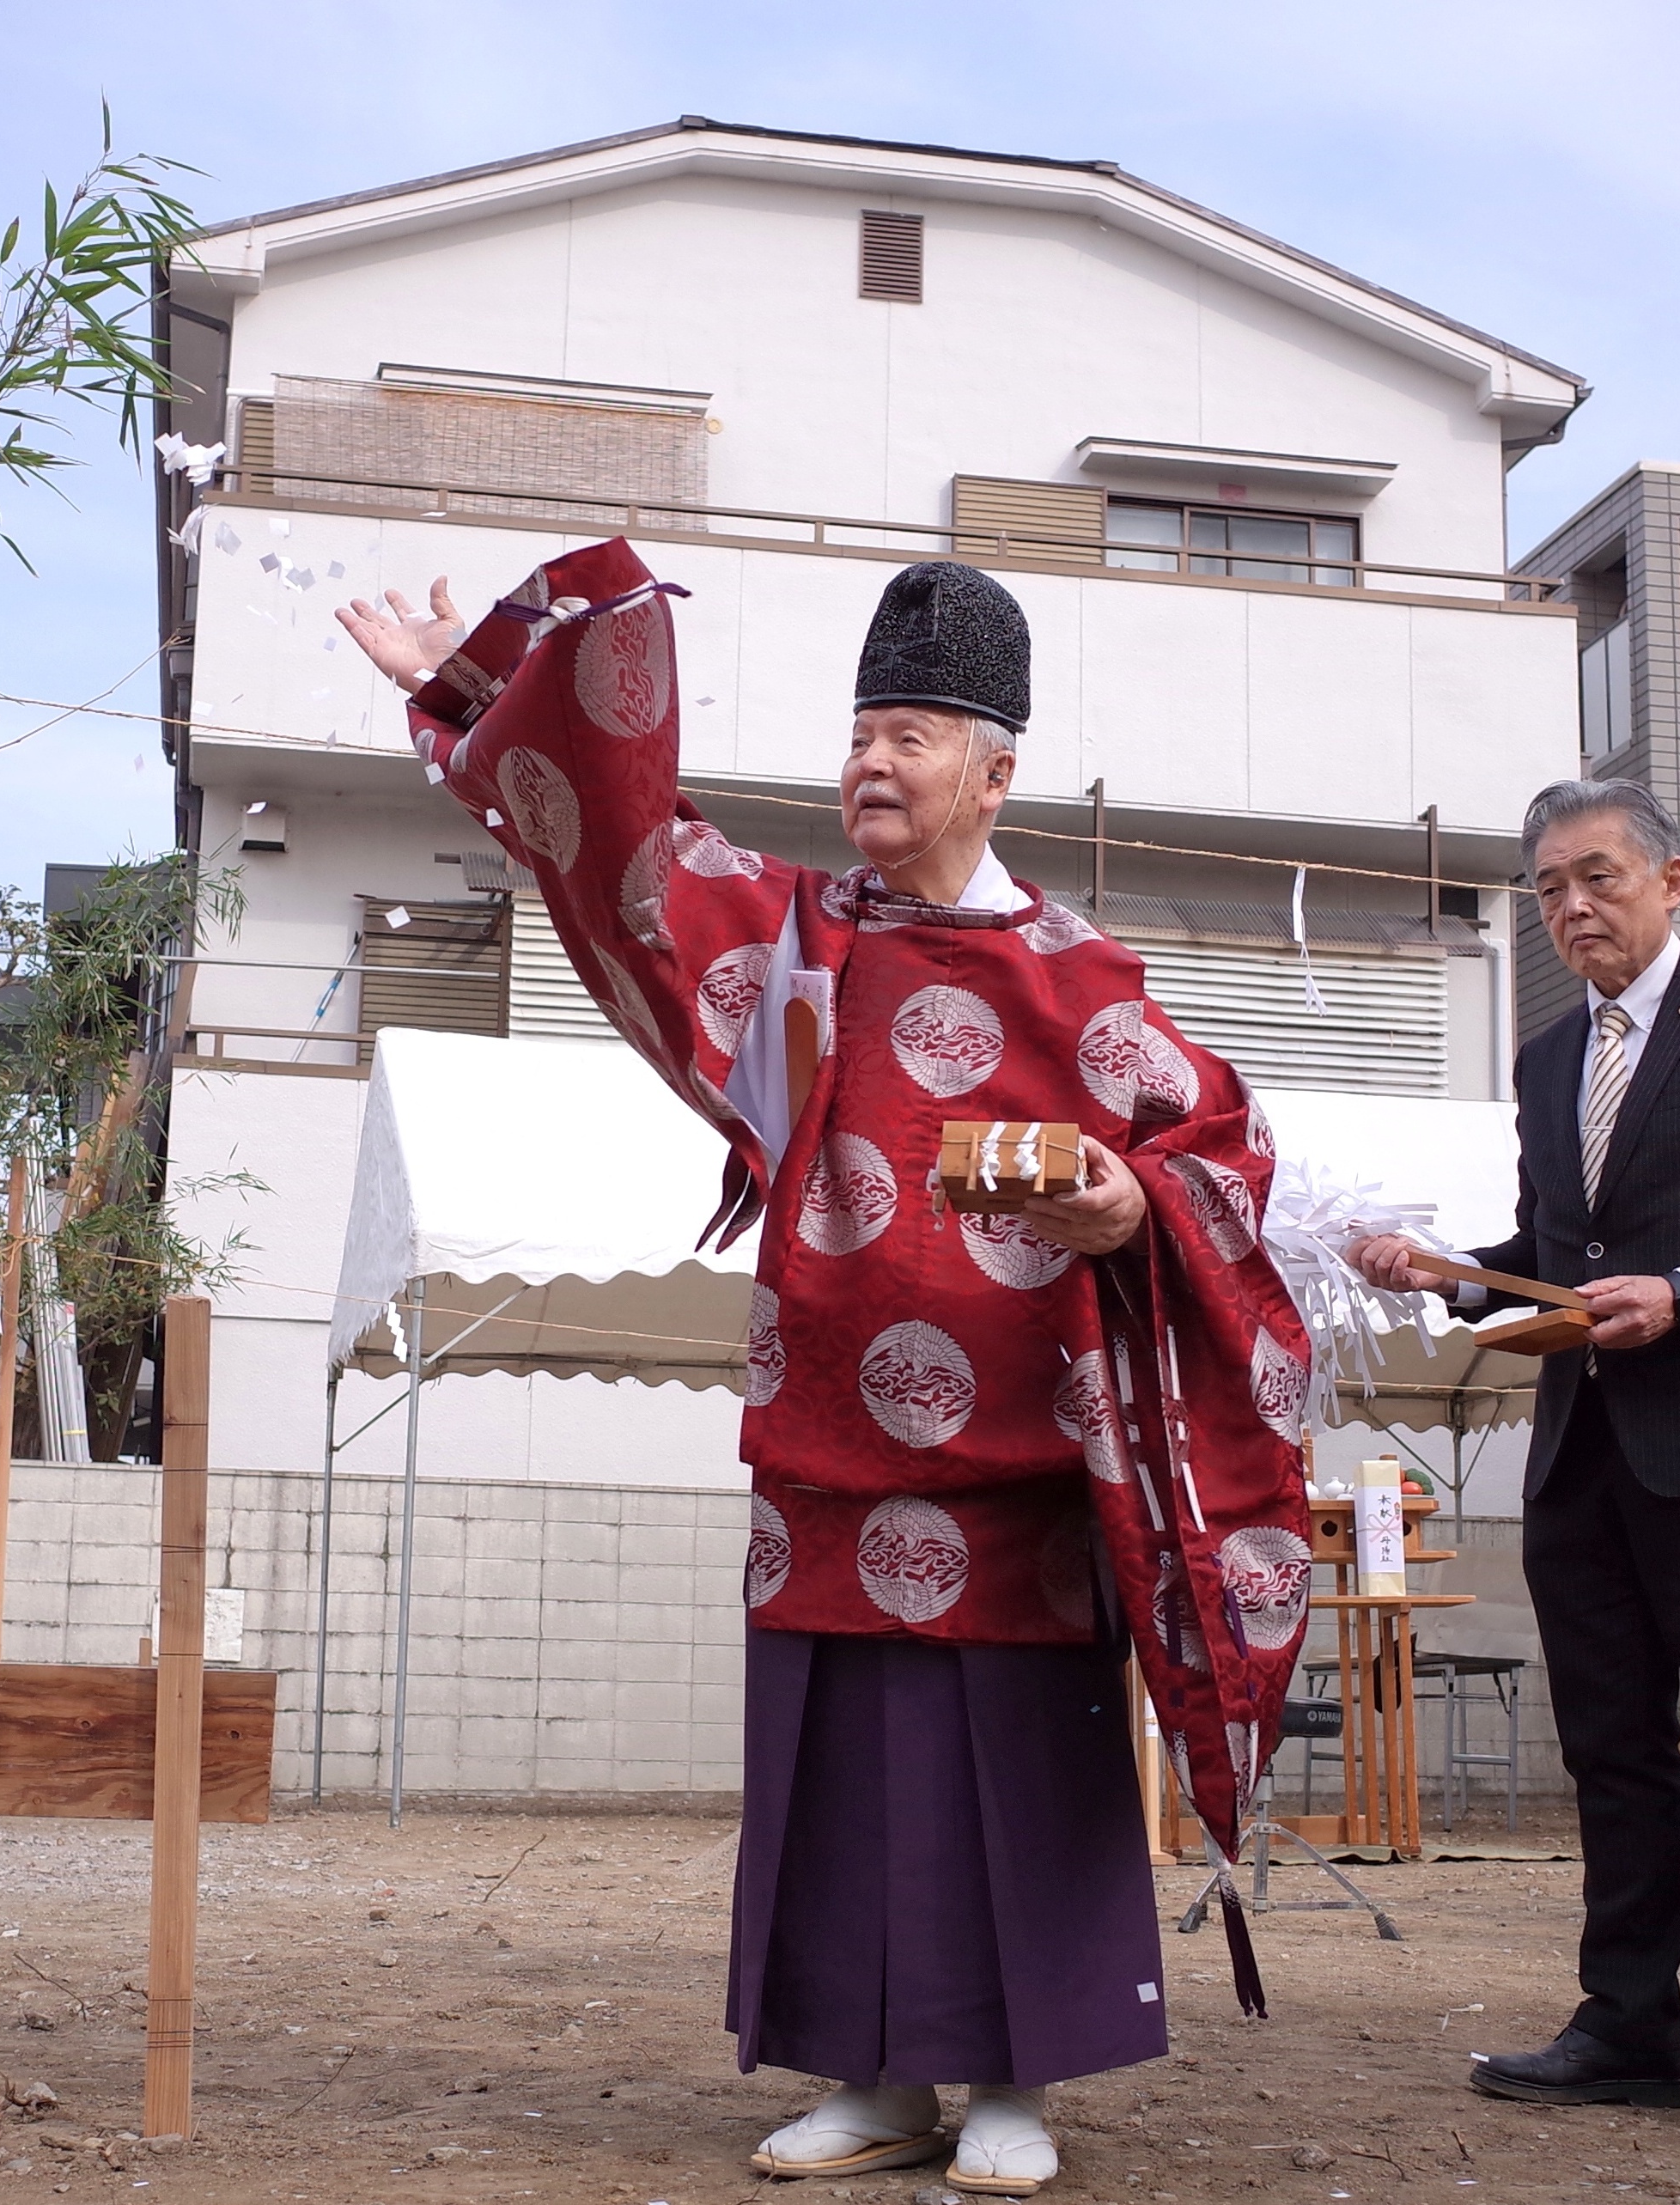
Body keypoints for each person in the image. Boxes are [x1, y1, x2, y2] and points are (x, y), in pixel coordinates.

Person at [339, 545, 1315, 2196]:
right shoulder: (795, 951)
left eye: (914, 733)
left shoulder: (1085, 983)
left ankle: (1015, 2081)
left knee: (1012, 1771)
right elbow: (629, 856)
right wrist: (469, 686)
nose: (871, 760)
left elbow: (1223, 1151)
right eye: (861, 729)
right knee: (843, 1776)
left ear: (995, 773)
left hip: (1013, 1472)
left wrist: (1124, 1198)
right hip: (821, 1444)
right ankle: (869, 2079)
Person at [1349, 778, 1680, 2150]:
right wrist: (1445, 1276)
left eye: (1597, 877)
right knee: (1612, 1748)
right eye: (1549, 888)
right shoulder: (1552, 1060)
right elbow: (1549, 1247)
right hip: (1583, 1445)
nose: (1571, 908)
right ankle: (1625, 2026)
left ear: (1671, 882)